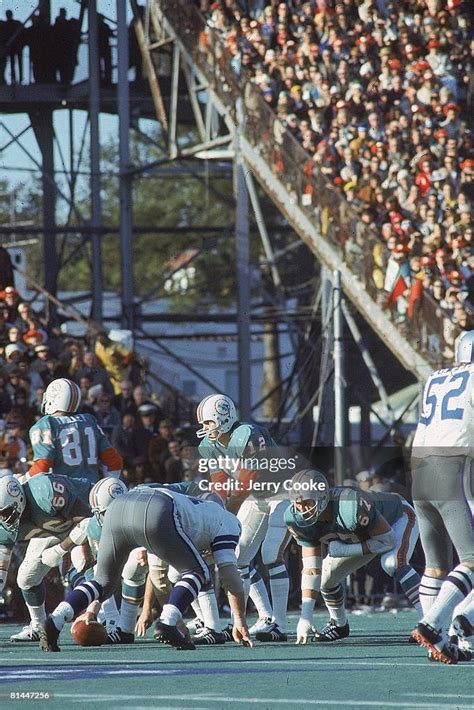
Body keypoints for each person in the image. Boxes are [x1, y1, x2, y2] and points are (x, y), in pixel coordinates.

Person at [40, 485, 252, 652]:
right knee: (198, 572)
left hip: (118, 507)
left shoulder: (191, 510)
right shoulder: (228, 521)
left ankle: (57, 617)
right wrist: (240, 621)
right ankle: (167, 622)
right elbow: (230, 577)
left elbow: (158, 571)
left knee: (103, 582)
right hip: (156, 508)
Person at [9, 377, 123, 642]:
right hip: (92, 505)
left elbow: (41, 467)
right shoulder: (90, 421)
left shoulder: (46, 424)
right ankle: (112, 621)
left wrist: (21, 484)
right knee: (90, 566)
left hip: (58, 509)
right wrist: (103, 491)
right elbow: (114, 461)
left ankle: (41, 623)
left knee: (30, 574)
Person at [285, 469, 421, 644]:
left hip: (397, 518)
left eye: (307, 503)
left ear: (322, 498)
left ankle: (428, 622)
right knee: (325, 578)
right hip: (360, 537)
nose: (302, 510)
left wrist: (346, 551)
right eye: (298, 504)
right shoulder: (296, 519)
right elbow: (311, 570)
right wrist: (305, 616)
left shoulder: (349, 505)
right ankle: (339, 623)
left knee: (392, 562)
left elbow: (387, 540)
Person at [197, 393, 291, 641]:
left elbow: (249, 481)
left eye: (208, 423)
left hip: (281, 493)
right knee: (238, 558)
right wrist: (219, 512)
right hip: (255, 499)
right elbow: (219, 484)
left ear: (223, 417)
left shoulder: (247, 434)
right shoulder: (209, 446)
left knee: (271, 554)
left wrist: (223, 516)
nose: (205, 429)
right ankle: (263, 617)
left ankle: (280, 625)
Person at [411, 330, 474, 664]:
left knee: (435, 566)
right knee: (472, 560)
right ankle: (435, 624)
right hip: (450, 469)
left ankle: (439, 643)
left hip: (418, 468)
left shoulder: (436, 377)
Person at [0, 472, 92, 643]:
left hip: (86, 519)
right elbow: (1, 568)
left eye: (4, 513)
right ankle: (39, 625)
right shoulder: (4, 526)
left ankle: (109, 618)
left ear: (18, 500)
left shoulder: (43, 492)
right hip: (55, 531)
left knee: (84, 564)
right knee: (26, 577)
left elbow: (88, 521)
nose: (2, 519)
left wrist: (61, 550)